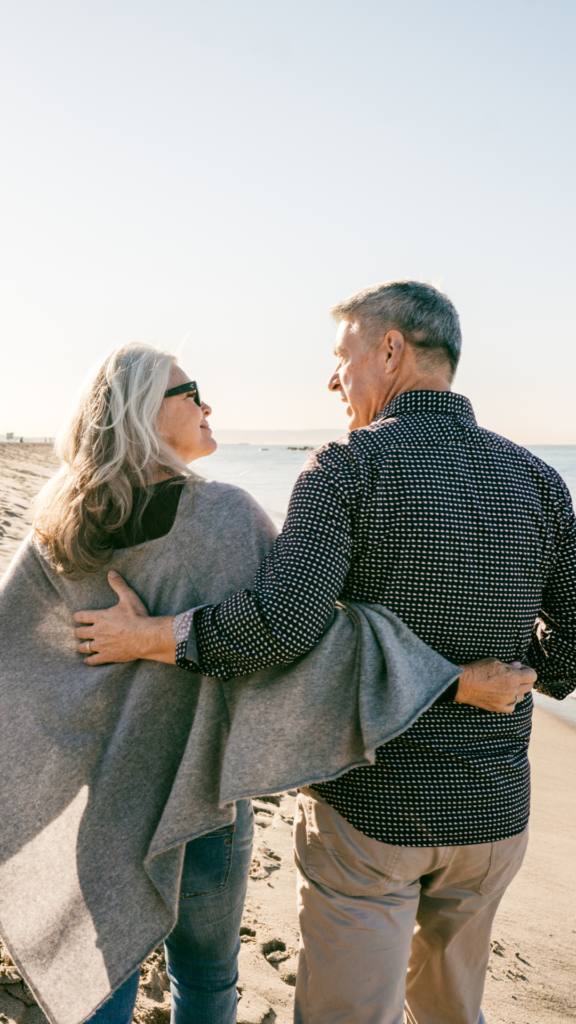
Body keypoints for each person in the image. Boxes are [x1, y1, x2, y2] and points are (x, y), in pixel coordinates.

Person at [71, 281, 570, 1024]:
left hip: (373, 812)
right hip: (494, 813)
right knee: (452, 1013)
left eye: (342, 356)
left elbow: (280, 630)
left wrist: (153, 636)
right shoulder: (540, 480)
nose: (332, 378)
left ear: (391, 349)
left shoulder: (347, 466)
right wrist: (526, 672)